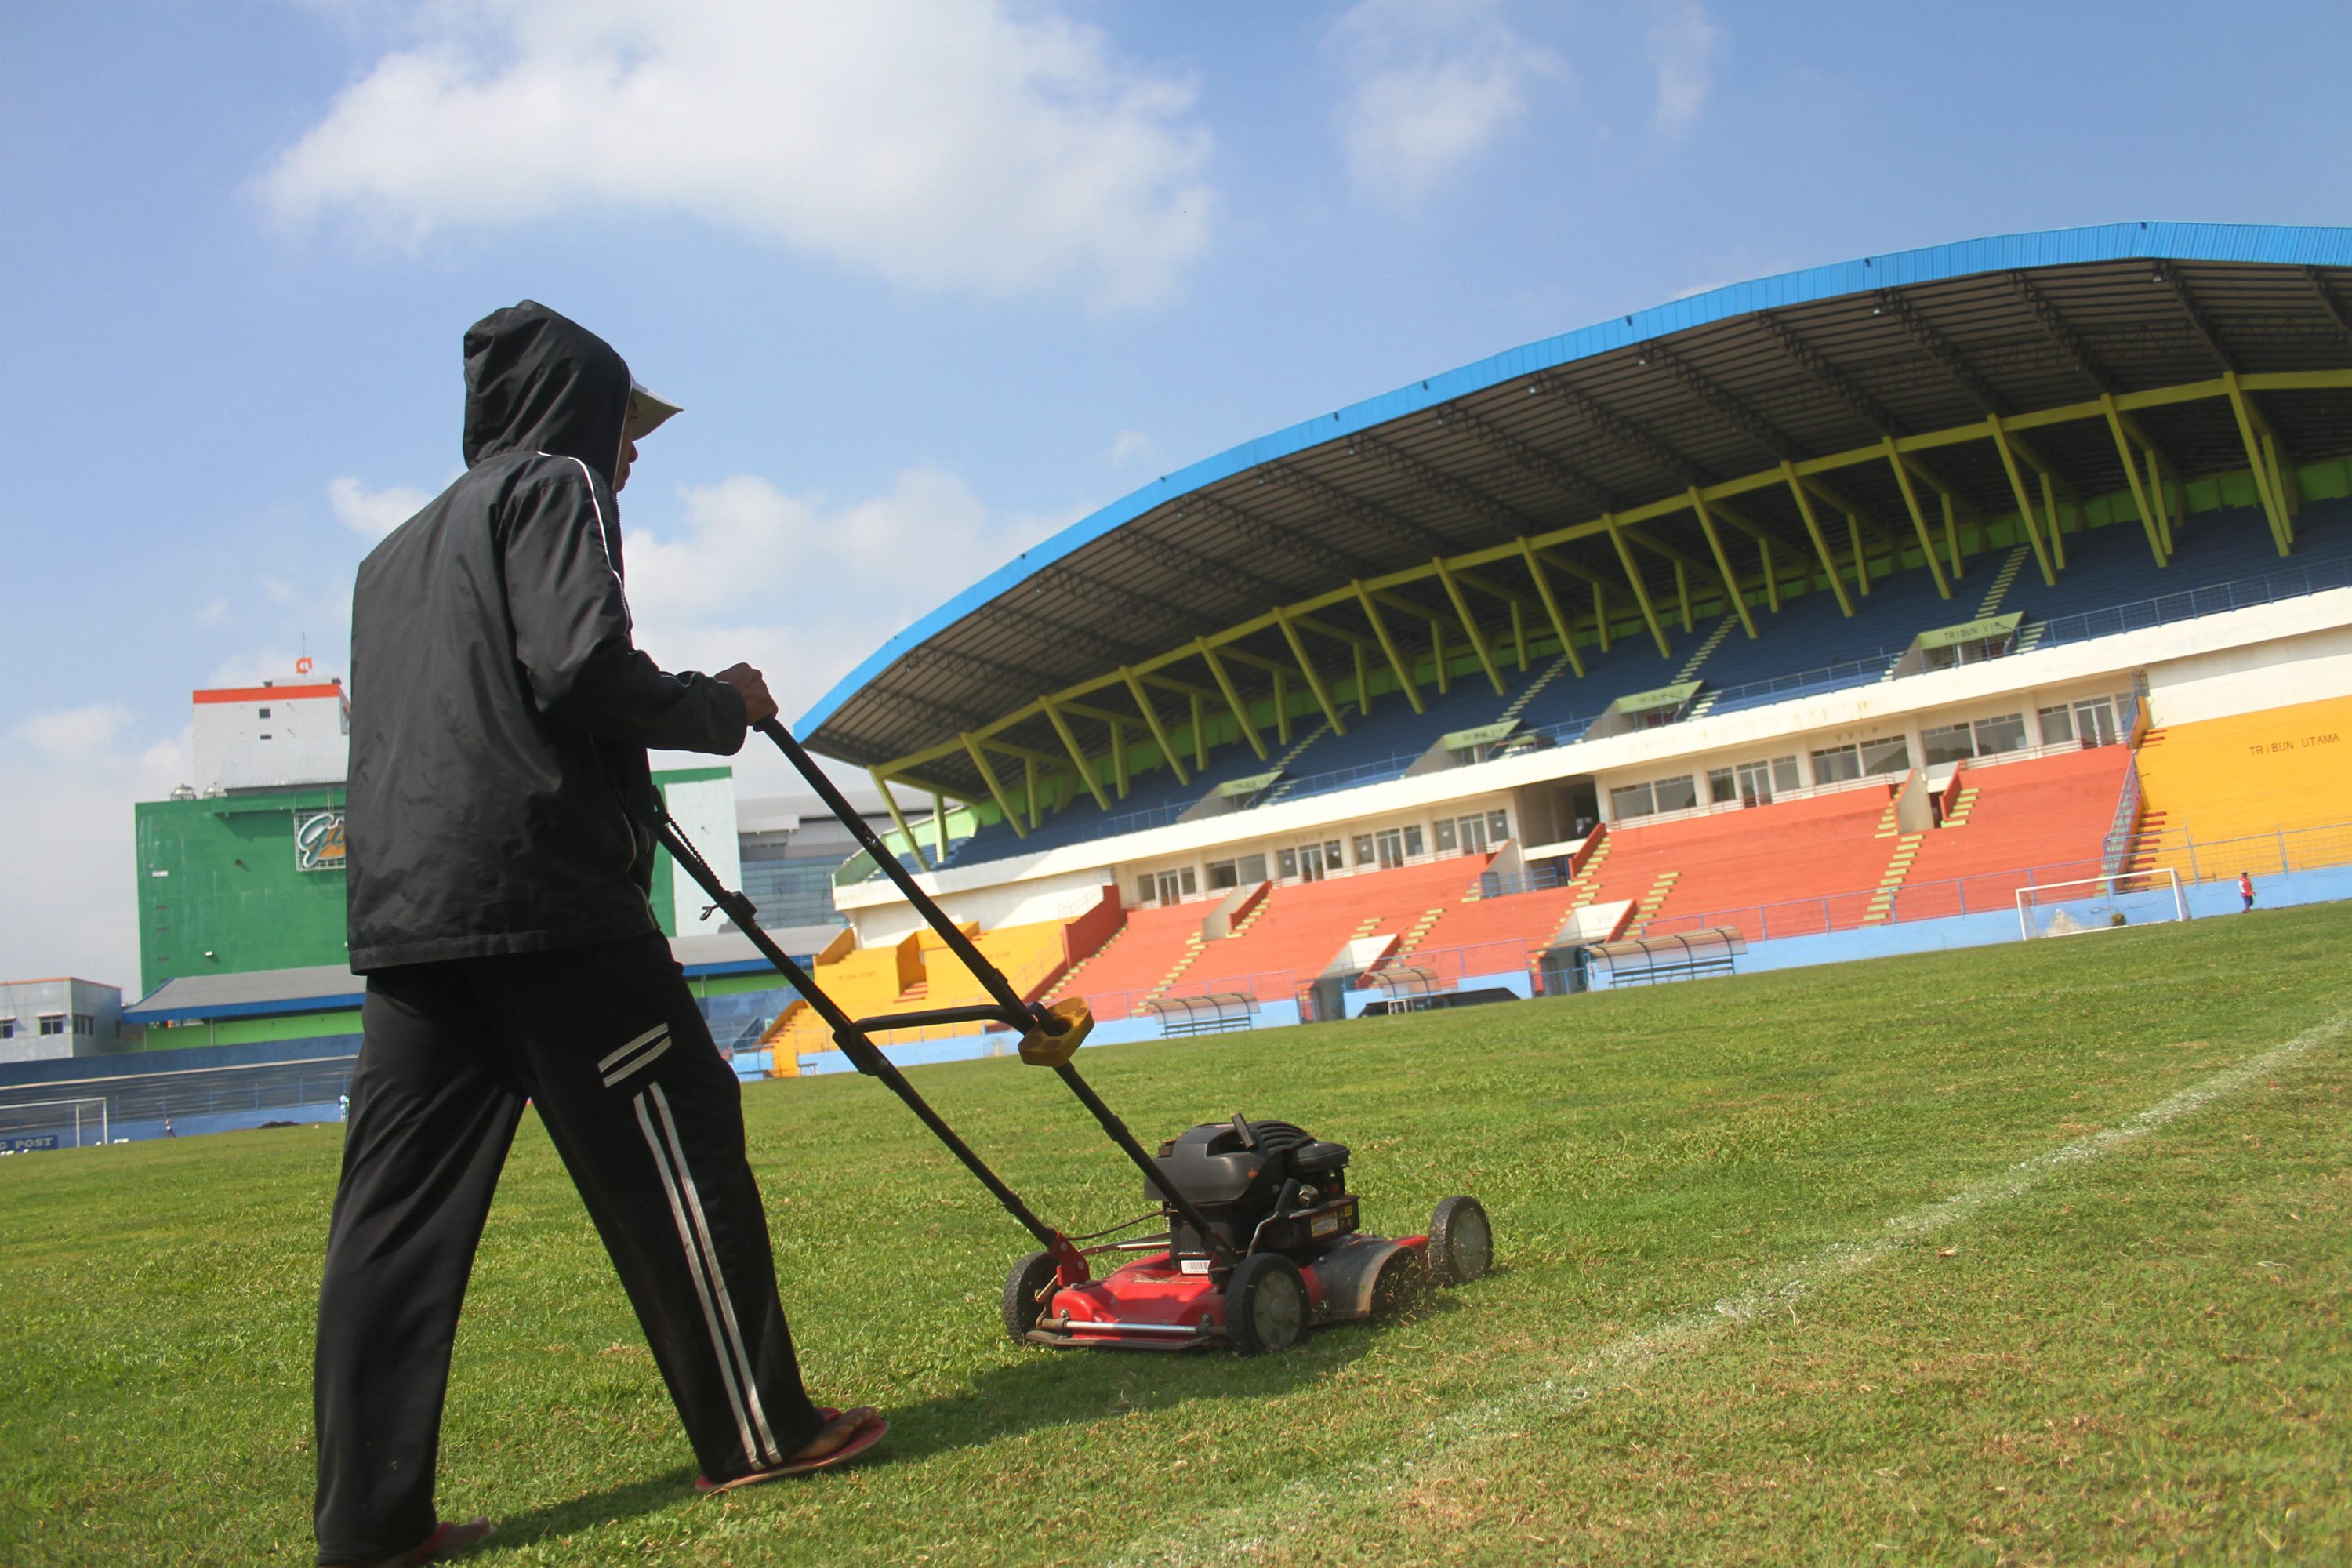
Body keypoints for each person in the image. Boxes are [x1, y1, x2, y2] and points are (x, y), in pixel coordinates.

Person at [314, 302, 883, 1568]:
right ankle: (759, 1429)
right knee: (680, 1132)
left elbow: (466, 712)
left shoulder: (390, 557)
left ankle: (366, 1527)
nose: (632, 454)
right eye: (627, 424)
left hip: (409, 916)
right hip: (544, 899)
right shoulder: (554, 485)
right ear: (577, 407)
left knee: (392, 1221)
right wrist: (718, 706)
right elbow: (577, 669)